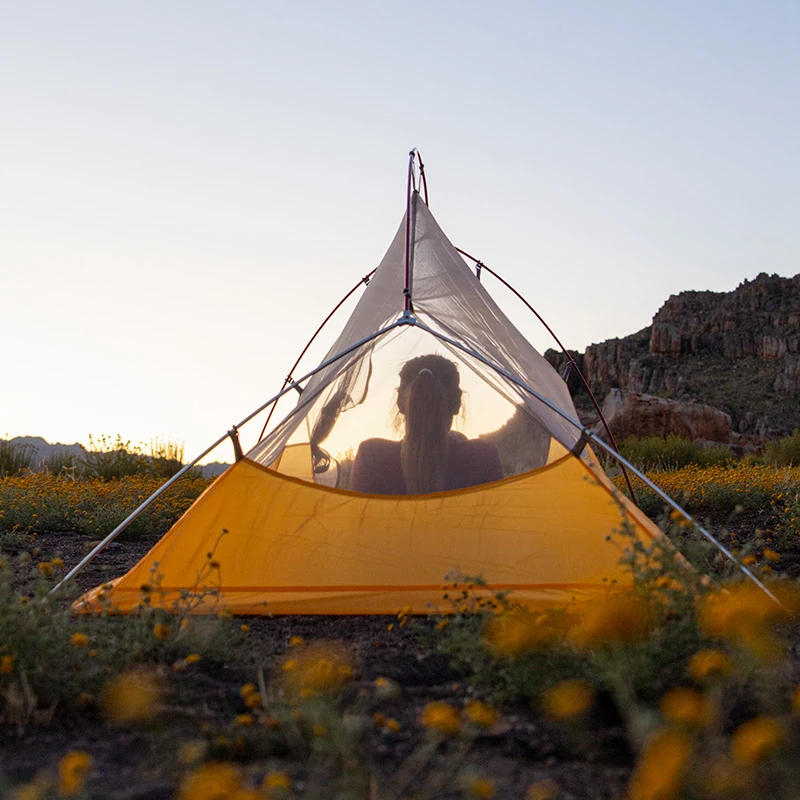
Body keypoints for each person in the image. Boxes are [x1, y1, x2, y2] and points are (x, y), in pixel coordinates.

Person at [350, 354, 503, 494]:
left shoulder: (371, 457)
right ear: (457, 403)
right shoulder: (483, 456)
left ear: (400, 403)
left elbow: (359, 520)